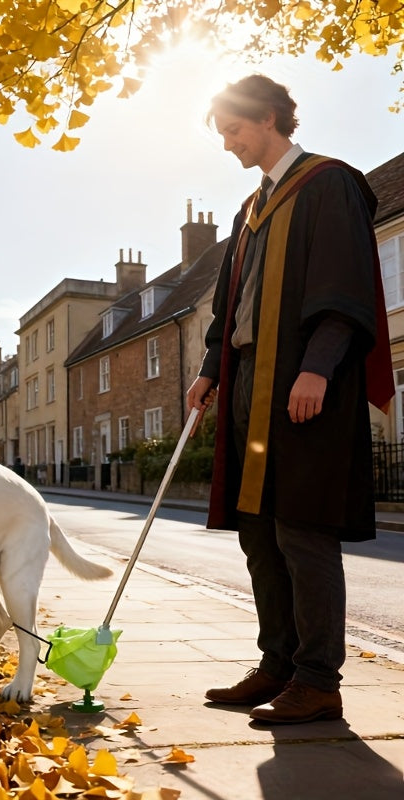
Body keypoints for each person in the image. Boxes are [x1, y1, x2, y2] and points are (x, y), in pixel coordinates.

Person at [186, 74, 393, 725]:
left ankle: (317, 679)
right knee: (260, 530)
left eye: (234, 130)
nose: (228, 144)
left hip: (304, 385)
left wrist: (319, 368)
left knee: (302, 529)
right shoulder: (252, 212)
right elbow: (230, 310)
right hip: (250, 387)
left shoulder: (328, 184)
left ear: (270, 118)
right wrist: (211, 368)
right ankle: (276, 663)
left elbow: (345, 286)